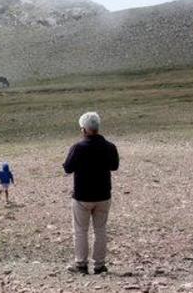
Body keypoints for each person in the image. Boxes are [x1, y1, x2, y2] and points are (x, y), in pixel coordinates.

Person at [63, 112, 119, 275]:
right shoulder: (110, 146)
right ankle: (100, 265)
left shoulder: (78, 147)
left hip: (82, 196)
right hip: (103, 195)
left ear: (84, 129)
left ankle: (81, 264)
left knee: (81, 230)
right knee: (100, 229)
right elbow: (114, 166)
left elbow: (68, 168)